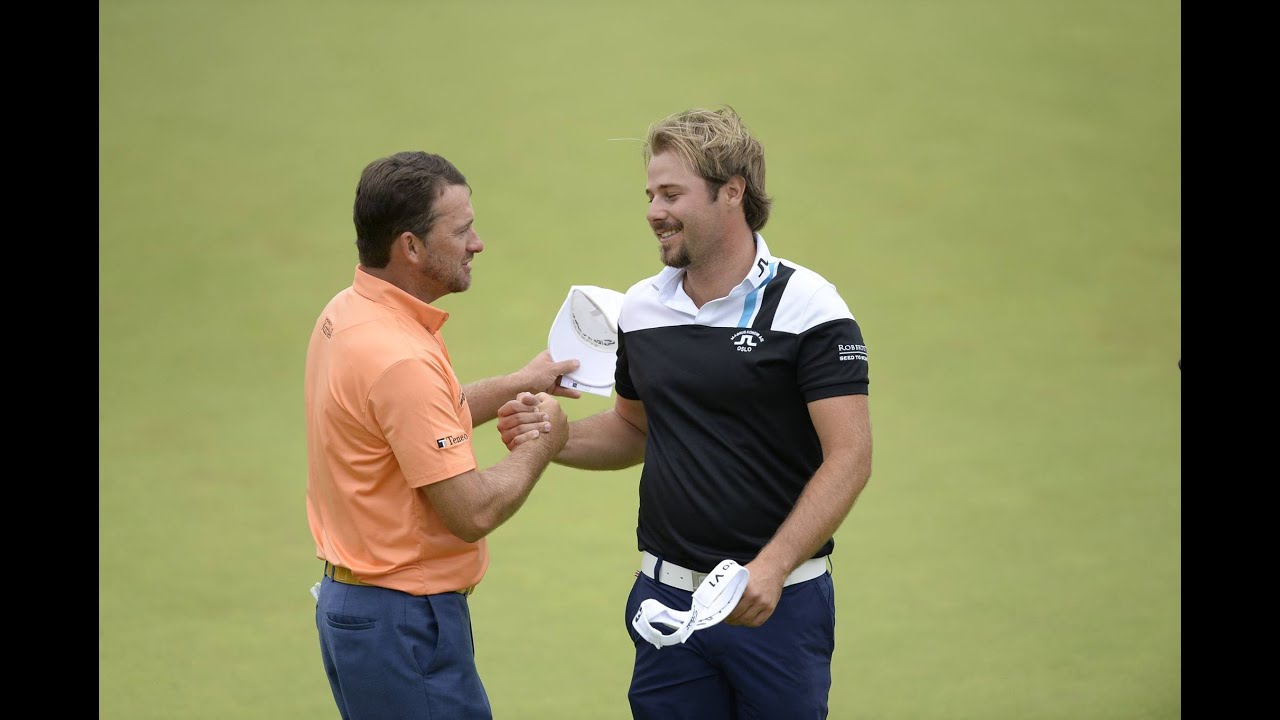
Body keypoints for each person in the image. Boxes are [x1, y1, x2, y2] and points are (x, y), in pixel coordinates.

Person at [499, 107, 873, 719]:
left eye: (671, 193)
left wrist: (772, 569)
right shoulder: (643, 310)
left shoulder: (809, 307)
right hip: (665, 604)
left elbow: (850, 455)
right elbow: (632, 428)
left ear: (732, 192)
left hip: (774, 609)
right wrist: (554, 440)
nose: (653, 210)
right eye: (650, 193)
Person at [304, 150, 579, 720]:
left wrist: (519, 384)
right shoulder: (399, 356)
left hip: (360, 609)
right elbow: (470, 510)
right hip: (402, 622)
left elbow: (416, 421)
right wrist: (540, 444)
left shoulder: (349, 311)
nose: (477, 243)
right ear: (410, 247)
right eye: (462, 230)